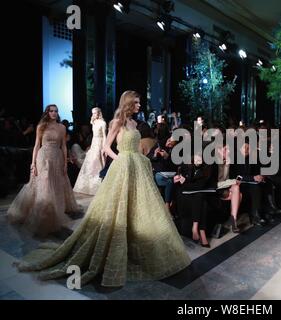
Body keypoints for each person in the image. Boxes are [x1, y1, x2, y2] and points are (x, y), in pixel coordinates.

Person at [14, 91, 191, 287]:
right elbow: (106, 147)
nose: (140, 106)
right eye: (137, 102)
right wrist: (122, 159)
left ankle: (135, 249)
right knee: (117, 210)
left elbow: (135, 146)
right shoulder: (117, 122)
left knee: (138, 210)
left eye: (140, 103)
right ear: (129, 103)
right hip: (123, 167)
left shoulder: (134, 123)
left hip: (136, 169)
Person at [7, 105, 81, 237]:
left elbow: (64, 146)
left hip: (57, 157)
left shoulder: (62, 127)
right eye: (51, 111)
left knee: (55, 185)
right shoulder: (41, 126)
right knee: (45, 184)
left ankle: (52, 211)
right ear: (47, 113)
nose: (54, 113)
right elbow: (36, 145)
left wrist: (65, 163)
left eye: (56, 111)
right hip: (43, 157)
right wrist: (33, 163)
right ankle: (43, 215)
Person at [73, 107, 107, 195]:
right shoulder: (93, 122)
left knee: (97, 162)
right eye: (92, 113)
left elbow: (104, 136)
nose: (93, 115)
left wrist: (104, 148)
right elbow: (94, 136)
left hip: (100, 144)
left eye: (95, 113)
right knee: (90, 163)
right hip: (94, 143)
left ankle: (98, 186)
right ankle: (87, 187)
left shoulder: (103, 123)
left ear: (99, 113)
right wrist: (92, 147)